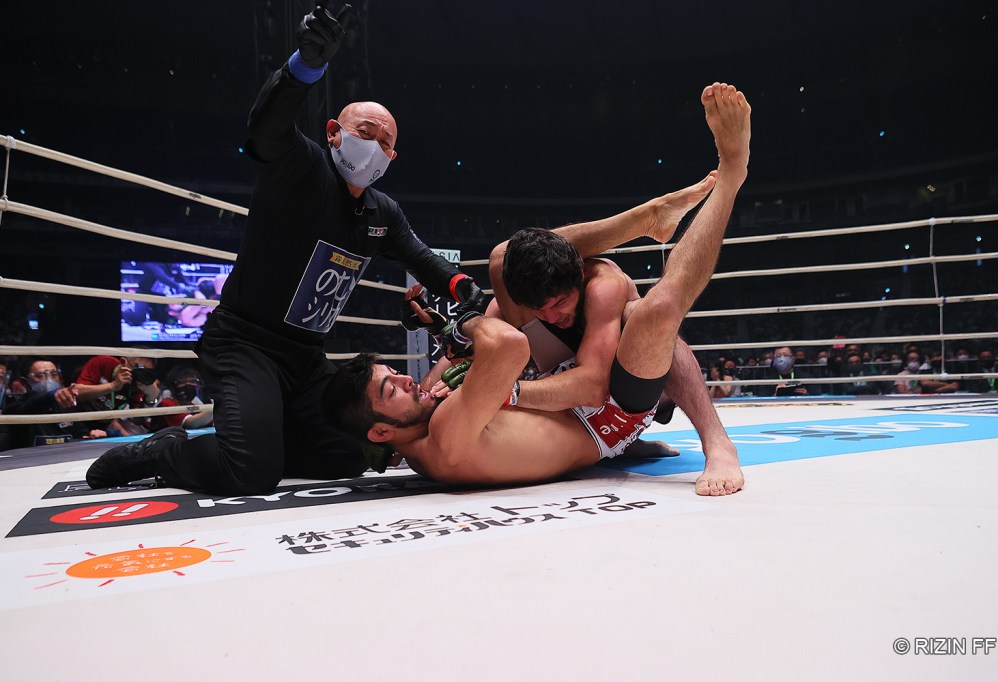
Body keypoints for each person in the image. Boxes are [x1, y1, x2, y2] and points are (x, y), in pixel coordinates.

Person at [87, 2, 489, 494]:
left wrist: (465, 288)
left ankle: (258, 439)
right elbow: (266, 128)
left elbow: (421, 257)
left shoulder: (383, 213)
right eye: (366, 132)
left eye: (386, 143)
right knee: (248, 474)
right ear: (334, 133)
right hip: (245, 343)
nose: (375, 146)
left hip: (305, 356)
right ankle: (165, 449)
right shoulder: (300, 169)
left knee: (349, 454)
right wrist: (305, 67)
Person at [323, 82, 750, 494]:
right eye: (390, 387)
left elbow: (458, 363)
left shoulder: (414, 433)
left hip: (570, 387)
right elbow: (507, 346)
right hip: (604, 417)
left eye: (393, 374)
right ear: (379, 430)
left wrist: (451, 340)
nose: (404, 378)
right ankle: (731, 176)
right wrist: (468, 328)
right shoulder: (444, 433)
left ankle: (645, 218)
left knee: (503, 258)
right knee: (654, 312)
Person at [482, 181, 742, 494]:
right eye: (540, 309)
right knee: (501, 257)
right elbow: (461, 358)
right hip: (579, 401)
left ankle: (717, 442)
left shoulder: (605, 284)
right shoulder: (509, 304)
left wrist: (505, 390)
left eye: (560, 303)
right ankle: (626, 443)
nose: (551, 316)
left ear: (578, 278)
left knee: (649, 312)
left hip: (632, 383)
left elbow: (592, 386)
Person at [2, 358, 106, 448]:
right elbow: (30, 406)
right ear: (25, 382)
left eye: (54, 374)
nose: (49, 380)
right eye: (39, 376)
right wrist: (51, 396)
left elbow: (80, 433)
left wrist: (90, 435)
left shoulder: (67, 406)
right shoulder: (15, 410)